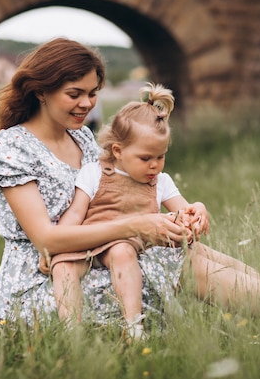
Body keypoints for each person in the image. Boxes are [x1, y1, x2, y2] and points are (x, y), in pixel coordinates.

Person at [0, 37, 260, 331]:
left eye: (92, 93)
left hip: (98, 252)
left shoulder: (83, 138)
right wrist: (137, 227)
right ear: (39, 91)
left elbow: (114, 194)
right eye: (75, 94)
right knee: (180, 262)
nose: (87, 104)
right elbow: (47, 240)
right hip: (45, 281)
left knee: (195, 247)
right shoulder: (11, 146)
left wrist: (180, 213)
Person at [38, 82, 209, 340]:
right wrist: (54, 248)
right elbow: (75, 214)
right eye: (145, 158)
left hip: (128, 244)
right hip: (91, 239)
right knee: (63, 268)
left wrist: (197, 210)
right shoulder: (94, 173)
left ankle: (133, 325)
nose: (154, 165)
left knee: (122, 251)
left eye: (160, 157)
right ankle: (71, 333)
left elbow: (183, 211)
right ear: (118, 150)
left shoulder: (160, 182)